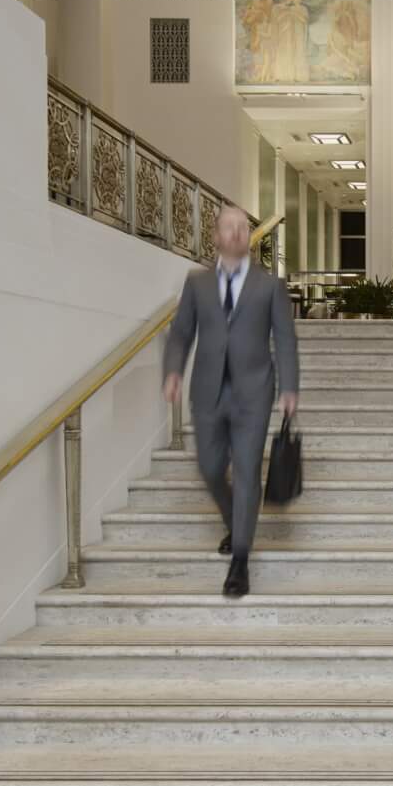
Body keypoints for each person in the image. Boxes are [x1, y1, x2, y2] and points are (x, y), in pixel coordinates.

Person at [162, 205, 298, 600]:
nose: (237, 233)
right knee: (208, 468)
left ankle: (240, 558)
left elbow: (285, 339)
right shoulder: (197, 284)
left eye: (243, 227)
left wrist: (290, 386)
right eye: (229, 227)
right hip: (207, 392)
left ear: (250, 238)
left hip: (254, 392)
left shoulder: (269, 286)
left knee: (247, 469)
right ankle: (234, 521)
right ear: (216, 235)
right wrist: (173, 370)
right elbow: (181, 333)